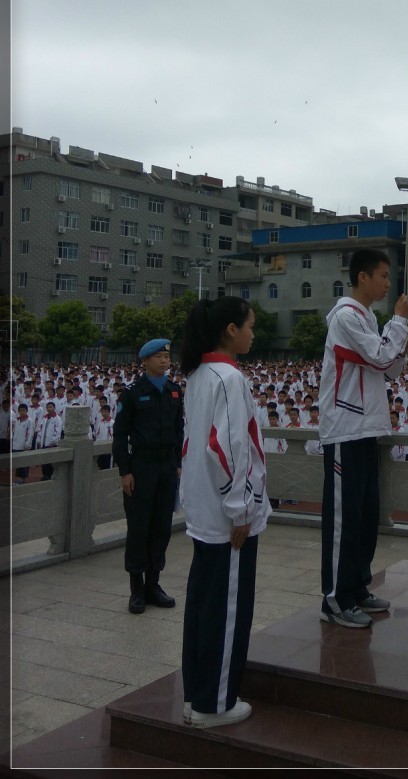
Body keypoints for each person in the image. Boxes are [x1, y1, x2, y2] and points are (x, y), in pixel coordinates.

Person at [180, 296, 269, 729]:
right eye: (250, 325)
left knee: (202, 602)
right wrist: (241, 509)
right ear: (230, 330)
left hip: (202, 507)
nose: (254, 333)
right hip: (224, 513)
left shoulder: (197, 374)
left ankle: (195, 692)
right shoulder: (228, 377)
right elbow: (228, 447)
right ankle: (213, 703)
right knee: (228, 608)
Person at [319, 248, 408, 629]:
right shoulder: (345, 318)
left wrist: (397, 339)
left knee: (364, 515)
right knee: (343, 519)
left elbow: (390, 369)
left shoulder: (367, 318)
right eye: (384, 275)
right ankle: (334, 599)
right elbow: (379, 357)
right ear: (362, 278)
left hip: (367, 427)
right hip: (345, 427)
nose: (388, 283)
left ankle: (357, 586)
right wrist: (400, 324)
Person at [112, 338, 184, 615]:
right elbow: (120, 435)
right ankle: (136, 588)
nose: (165, 361)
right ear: (145, 361)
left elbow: (179, 429)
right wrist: (124, 471)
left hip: (166, 467)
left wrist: (177, 463)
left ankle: (154, 584)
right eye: (158, 357)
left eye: (167, 356)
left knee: (161, 527)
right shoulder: (131, 393)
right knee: (139, 527)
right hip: (141, 467)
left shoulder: (174, 390)